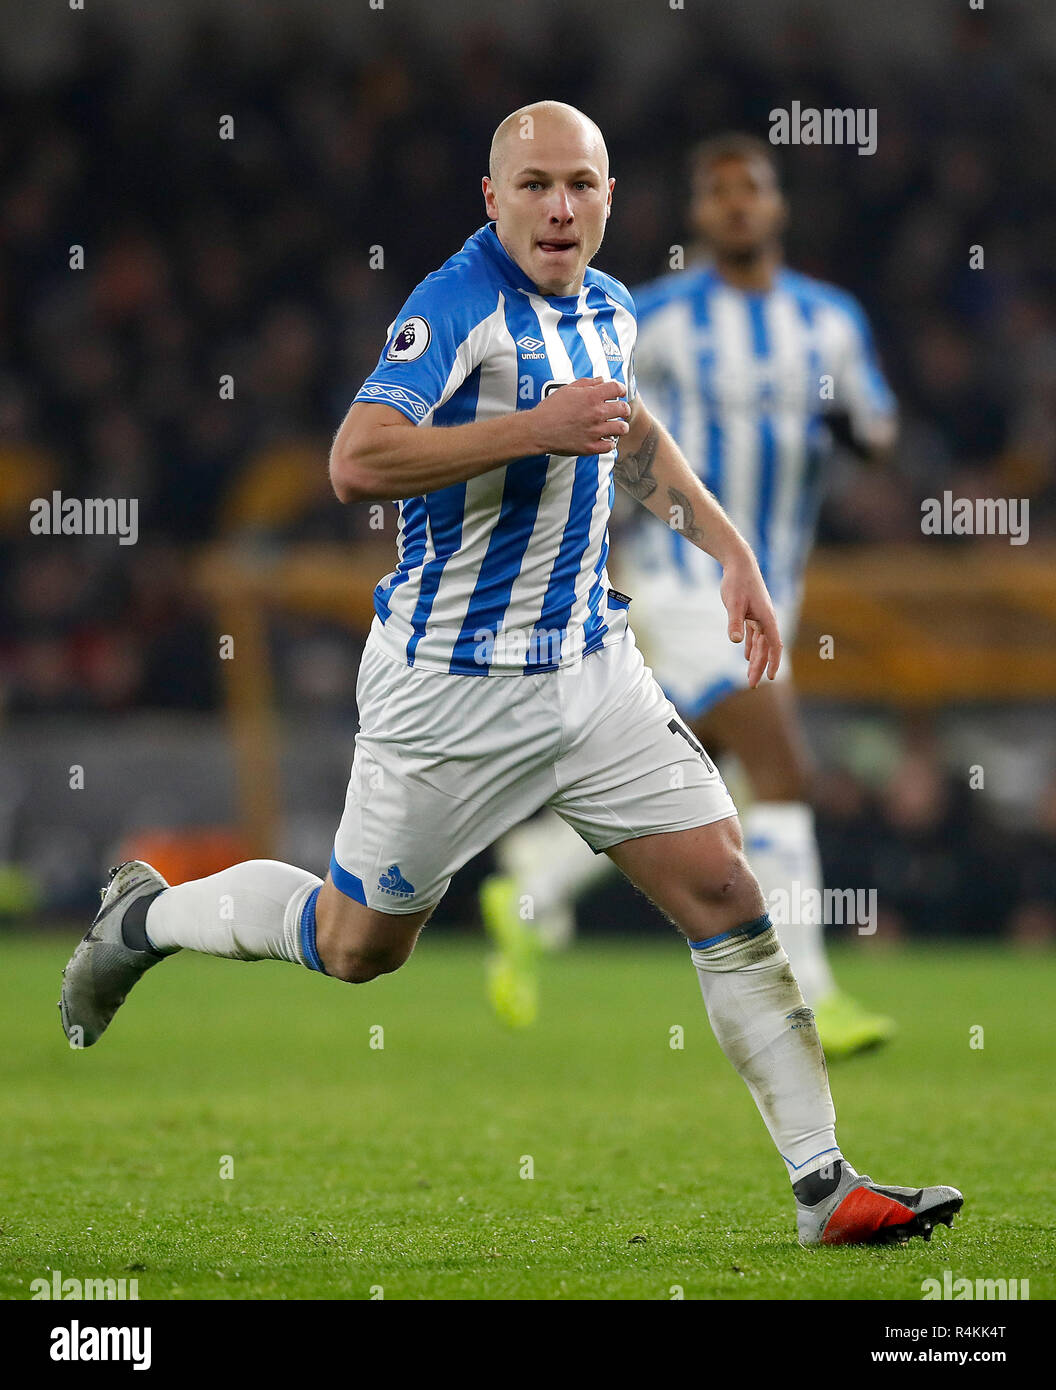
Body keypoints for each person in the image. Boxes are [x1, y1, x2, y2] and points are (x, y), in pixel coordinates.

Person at [60, 102, 960, 1247]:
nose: (560, 206)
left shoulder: (613, 305)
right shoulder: (454, 304)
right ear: (493, 199)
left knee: (725, 886)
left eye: (581, 184)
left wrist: (727, 549)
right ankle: (149, 917)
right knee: (356, 948)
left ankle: (826, 1188)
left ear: (610, 198)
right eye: (534, 184)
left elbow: (627, 438)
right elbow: (356, 458)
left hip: (590, 670)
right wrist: (533, 427)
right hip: (446, 688)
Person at [483, 133, 897, 1057]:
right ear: (698, 215)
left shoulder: (829, 320)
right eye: (718, 193)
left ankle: (536, 877)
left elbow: (878, 427)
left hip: (770, 585)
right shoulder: (660, 317)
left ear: (777, 204)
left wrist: (853, 427)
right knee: (781, 763)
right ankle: (813, 1000)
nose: (737, 205)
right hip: (677, 577)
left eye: (751, 189)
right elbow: (603, 421)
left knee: (698, 770)